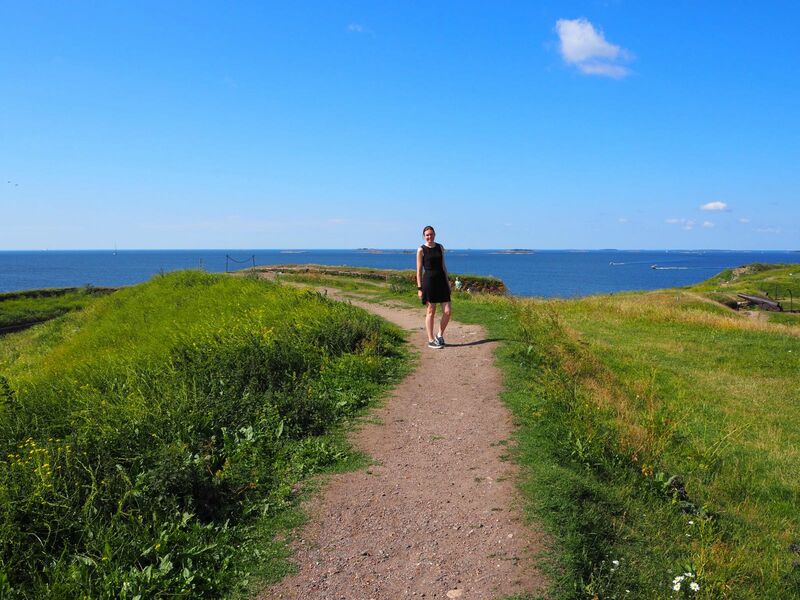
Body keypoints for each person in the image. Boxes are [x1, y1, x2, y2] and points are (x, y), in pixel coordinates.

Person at [416, 226, 451, 349]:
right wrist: (419, 288)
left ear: (434, 234)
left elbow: (443, 266)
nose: (429, 237)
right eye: (427, 235)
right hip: (429, 282)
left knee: (447, 311)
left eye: (431, 234)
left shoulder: (440, 247)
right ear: (424, 236)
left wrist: (448, 282)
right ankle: (431, 340)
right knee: (431, 311)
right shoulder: (421, 250)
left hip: (441, 282)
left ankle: (439, 335)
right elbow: (419, 271)